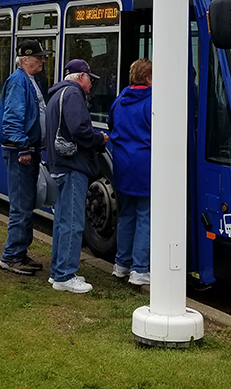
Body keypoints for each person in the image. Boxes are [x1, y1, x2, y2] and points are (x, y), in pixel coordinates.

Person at [45, 59, 108, 294]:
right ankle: (65, 275)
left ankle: (57, 271)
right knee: (72, 223)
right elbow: (80, 130)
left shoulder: (57, 94)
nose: (91, 84)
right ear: (81, 77)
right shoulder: (73, 95)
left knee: (62, 222)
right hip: (73, 166)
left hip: (60, 165)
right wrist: (98, 139)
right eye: (90, 79)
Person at [0, 39, 51, 276]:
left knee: (26, 205)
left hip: (28, 150)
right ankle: (11, 256)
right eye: (39, 57)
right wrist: (24, 148)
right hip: (21, 153)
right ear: (25, 60)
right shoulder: (19, 82)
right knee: (21, 206)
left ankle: (19, 252)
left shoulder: (30, 81)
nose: (43, 61)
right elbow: (12, 121)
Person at [108, 59, 152, 287]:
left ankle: (121, 264)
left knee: (126, 214)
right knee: (146, 216)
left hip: (122, 164)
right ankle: (140, 269)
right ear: (149, 78)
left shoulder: (119, 100)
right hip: (145, 165)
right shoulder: (153, 101)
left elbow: (111, 125)